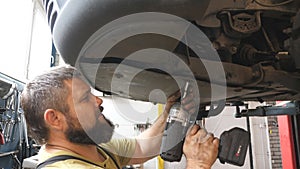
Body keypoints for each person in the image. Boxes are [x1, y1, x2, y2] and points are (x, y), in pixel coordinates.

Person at [21, 65, 219, 169]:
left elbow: (142, 147)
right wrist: (198, 164)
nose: (98, 101)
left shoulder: (91, 148)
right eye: (84, 98)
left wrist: (169, 111)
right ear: (55, 119)